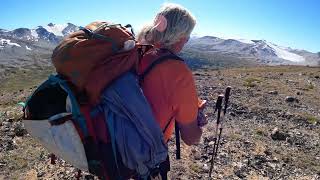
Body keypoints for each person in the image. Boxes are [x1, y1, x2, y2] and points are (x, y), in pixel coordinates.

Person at [136, 3, 208, 179]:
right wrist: (197, 120)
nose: (187, 40)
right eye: (188, 36)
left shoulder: (135, 51)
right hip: (146, 156)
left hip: (114, 146)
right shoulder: (178, 72)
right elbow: (191, 138)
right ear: (179, 36)